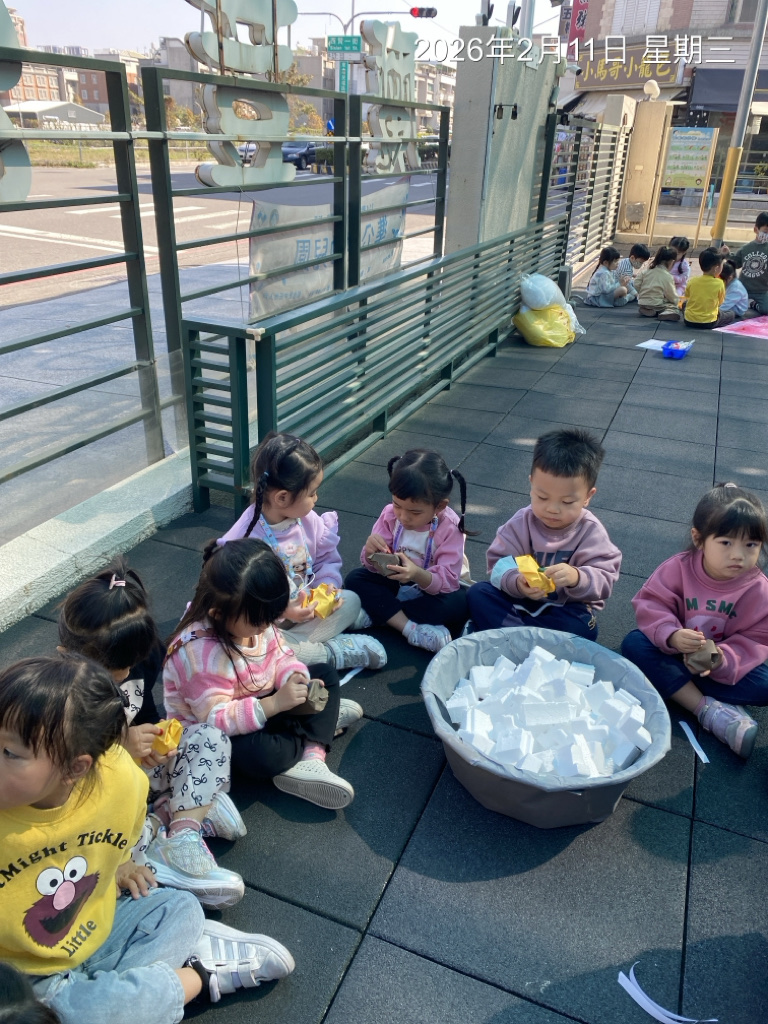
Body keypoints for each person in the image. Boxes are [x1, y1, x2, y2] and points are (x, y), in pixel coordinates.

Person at [0, 654, 295, 1024]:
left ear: (75, 768)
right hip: (24, 975)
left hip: (94, 932)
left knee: (181, 909)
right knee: (57, 1013)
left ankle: (120, 995)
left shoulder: (120, 781)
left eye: (9, 752)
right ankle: (199, 976)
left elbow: (120, 834)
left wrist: (123, 865)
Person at [57, 560, 245, 911]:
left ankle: (183, 833)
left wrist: (156, 743)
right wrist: (119, 749)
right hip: (99, 792)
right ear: (66, 657)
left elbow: (144, 715)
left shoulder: (139, 657)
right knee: (94, 844)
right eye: (112, 672)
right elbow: (65, 789)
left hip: (140, 775)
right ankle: (166, 823)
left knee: (209, 737)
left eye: (130, 665)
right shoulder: (58, 700)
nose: (125, 675)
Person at [164, 538, 360, 809]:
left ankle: (312, 756)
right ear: (218, 614)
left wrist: (294, 677)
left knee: (324, 674)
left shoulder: (255, 618)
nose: (267, 626)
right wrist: (276, 704)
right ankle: (315, 728)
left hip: (259, 701)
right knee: (262, 755)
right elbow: (215, 720)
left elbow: (281, 655)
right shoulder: (199, 654)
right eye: (260, 621)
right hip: (216, 730)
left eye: (272, 617)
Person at [217, 431, 386, 672]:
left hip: (305, 613)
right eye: (311, 493)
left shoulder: (307, 520)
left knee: (351, 600)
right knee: (249, 649)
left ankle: (290, 652)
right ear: (282, 498)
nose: (316, 498)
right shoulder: (243, 541)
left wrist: (328, 586)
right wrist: (284, 610)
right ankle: (330, 653)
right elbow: (241, 610)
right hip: (263, 625)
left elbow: (325, 559)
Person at [622, 484, 768, 759]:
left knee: (765, 685)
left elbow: (756, 639)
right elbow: (651, 604)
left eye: (751, 545)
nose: (738, 555)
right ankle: (706, 710)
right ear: (698, 539)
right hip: (673, 653)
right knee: (634, 644)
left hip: (717, 666)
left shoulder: (759, 589)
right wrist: (672, 635)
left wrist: (720, 659)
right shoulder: (678, 568)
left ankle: (679, 688)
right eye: (726, 543)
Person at [467, 428, 621, 640]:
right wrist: (517, 582)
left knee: (584, 627)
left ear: (588, 496)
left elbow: (605, 579)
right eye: (542, 497)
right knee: (478, 593)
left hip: (564, 609)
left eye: (567, 502)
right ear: (531, 484)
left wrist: (577, 577)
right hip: (521, 603)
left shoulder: (591, 531)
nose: (552, 509)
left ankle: (510, 636)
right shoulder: (521, 523)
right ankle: (533, 640)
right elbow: (499, 564)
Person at [344, 449, 471, 653]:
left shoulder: (450, 527)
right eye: (397, 505)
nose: (403, 517)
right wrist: (370, 552)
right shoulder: (390, 515)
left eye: (415, 512)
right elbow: (371, 566)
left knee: (459, 604)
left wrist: (416, 574)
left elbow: (448, 581)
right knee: (355, 578)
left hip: (429, 590)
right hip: (395, 582)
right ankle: (408, 627)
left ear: (440, 506)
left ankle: (381, 615)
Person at [683, 248, 734, 329]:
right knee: (731, 314)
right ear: (716, 268)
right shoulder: (719, 283)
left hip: (689, 321)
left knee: (685, 304)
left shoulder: (692, 281)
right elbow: (720, 302)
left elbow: (687, 295)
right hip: (709, 322)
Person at [730, 211, 768, 312]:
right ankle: (746, 301)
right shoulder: (746, 248)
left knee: (766, 309)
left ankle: (752, 304)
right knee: (731, 306)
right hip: (743, 288)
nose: (767, 235)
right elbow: (736, 263)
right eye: (765, 232)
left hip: (762, 291)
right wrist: (727, 254)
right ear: (756, 229)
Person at [635, 246, 681, 320]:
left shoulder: (646, 271)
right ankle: (666, 312)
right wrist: (677, 301)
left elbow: (636, 283)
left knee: (652, 305)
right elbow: (671, 294)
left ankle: (647, 310)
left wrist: (642, 292)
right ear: (672, 262)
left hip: (642, 302)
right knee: (673, 307)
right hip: (657, 303)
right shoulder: (667, 276)